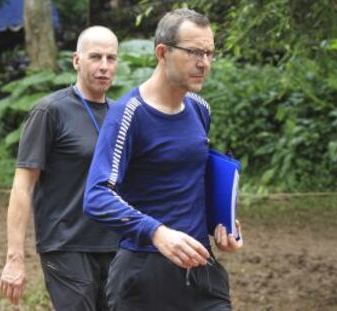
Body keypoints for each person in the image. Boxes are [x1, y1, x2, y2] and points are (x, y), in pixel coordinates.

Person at [83, 9, 243, 311]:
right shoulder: (129, 114)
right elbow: (96, 195)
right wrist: (157, 233)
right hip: (143, 276)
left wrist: (223, 224)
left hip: (201, 270)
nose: (204, 63)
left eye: (209, 53)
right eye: (194, 52)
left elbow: (193, 178)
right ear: (162, 52)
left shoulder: (200, 108)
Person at [0, 26, 120, 311]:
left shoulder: (122, 114)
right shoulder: (50, 111)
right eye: (95, 57)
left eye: (111, 58)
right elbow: (22, 186)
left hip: (117, 245)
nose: (104, 66)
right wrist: (15, 258)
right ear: (76, 60)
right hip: (66, 245)